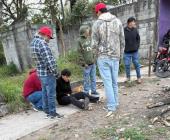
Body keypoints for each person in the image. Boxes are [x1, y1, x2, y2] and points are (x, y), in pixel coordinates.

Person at [91, 3, 125, 117]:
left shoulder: (97, 24)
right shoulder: (118, 21)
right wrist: (120, 56)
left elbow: (94, 43)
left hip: (103, 57)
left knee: (108, 83)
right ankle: (115, 102)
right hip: (115, 56)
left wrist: (95, 57)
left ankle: (111, 106)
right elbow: (122, 41)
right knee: (114, 81)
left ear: (99, 11)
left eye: (96, 13)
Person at [30, 26, 63, 119]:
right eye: (49, 37)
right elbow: (49, 62)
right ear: (44, 35)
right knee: (51, 94)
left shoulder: (33, 43)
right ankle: (52, 113)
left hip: (40, 73)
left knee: (44, 92)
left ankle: (46, 110)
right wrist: (56, 73)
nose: (49, 39)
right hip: (48, 73)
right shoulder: (42, 44)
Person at [77, 24, 99, 99]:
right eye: (87, 30)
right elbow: (79, 53)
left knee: (93, 78)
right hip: (86, 65)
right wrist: (83, 63)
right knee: (86, 79)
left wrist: (94, 59)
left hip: (93, 63)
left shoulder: (89, 38)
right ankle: (86, 92)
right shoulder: (79, 41)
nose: (88, 31)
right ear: (83, 32)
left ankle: (94, 91)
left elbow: (92, 49)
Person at [124, 17, 141, 84]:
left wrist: (137, 46)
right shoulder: (124, 30)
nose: (134, 23)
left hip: (135, 52)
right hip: (126, 52)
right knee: (127, 65)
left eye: (134, 22)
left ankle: (139, 77)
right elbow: (121, 41)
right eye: (133, 22)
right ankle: (128, 78)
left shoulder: (135, 30)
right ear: (129, 23)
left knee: (137, 64)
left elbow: (138, 39)